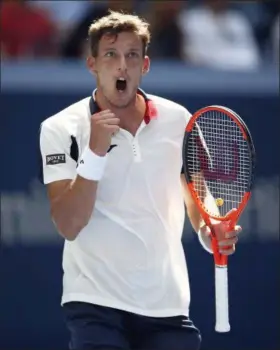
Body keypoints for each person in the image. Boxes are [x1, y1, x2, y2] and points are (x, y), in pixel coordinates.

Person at [39, 10, 241, 350]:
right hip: (94, 303)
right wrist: (95, 153)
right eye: (111, 55)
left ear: (145, 66)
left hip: (167, 304)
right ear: (92, 65)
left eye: (132, 56)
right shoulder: (59, 128)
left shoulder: (179, 120)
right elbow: (68, 224)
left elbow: (197, 200)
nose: (122, 66)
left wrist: (210, 233)